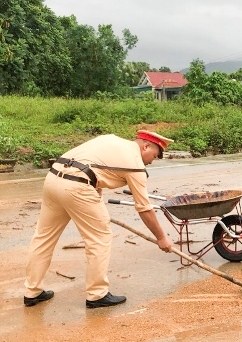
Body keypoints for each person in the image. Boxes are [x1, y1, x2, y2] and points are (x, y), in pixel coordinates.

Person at [23, 130, 174, 308]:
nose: (151, 161)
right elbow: (144, 208)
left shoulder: (110, 139)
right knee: (100, 238)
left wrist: (95, 185)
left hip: (53, 178)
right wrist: (161, 238)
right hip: (77, 187)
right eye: (154, 156)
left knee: (43, 236)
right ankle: (97, 294)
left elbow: (92, 164)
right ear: (146, 146)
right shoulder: (135, 164)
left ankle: (32, 292)